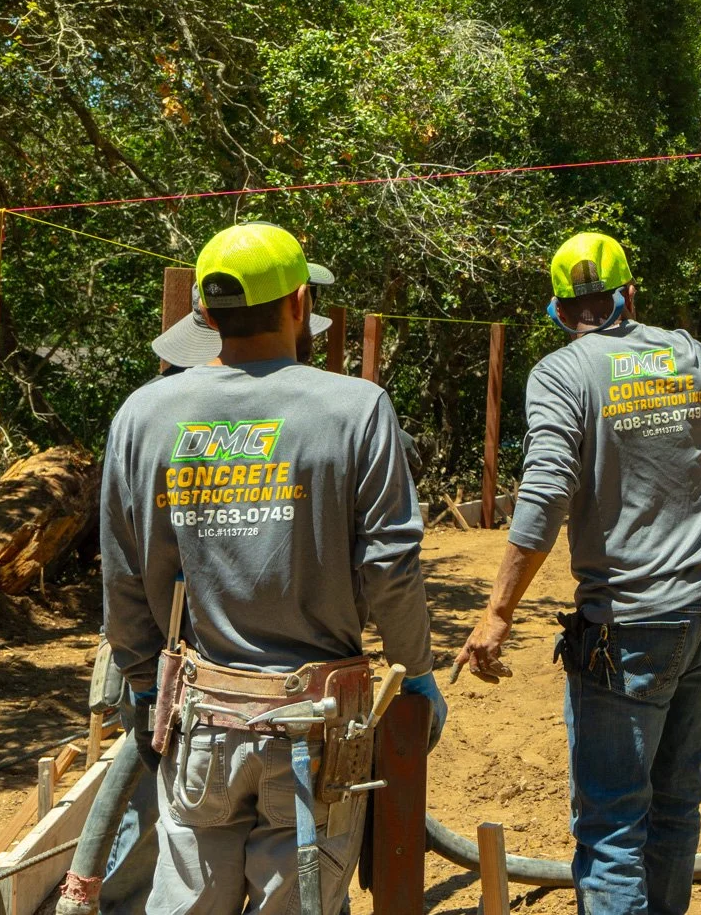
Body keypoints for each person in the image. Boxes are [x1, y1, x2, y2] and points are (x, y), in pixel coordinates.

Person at [100, 222, 446, 915]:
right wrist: (416, 670)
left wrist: (145, 687)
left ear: (205, 313)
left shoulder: (144, 415)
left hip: (199, 720)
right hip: (316, 726)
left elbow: (124, 576)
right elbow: (390, 568)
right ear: (297, 304)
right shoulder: (354, 409)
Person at [456, 231, 701, 915]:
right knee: (676, 798)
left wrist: (499, 611)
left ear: (561, 310)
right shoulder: (681, 352)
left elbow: (544, 492)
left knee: (612, 824)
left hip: (629, 628)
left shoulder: (562, 374)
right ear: (630, 295)